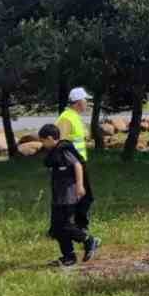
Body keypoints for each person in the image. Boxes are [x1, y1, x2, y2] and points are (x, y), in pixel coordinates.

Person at [39, 124, 100, 267]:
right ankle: (68, 257)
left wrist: (80, 185)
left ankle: (89, 240)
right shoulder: (54, 152)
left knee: (65, 225)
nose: (42, 144)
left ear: (49, 138)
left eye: (43, 141)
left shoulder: (63, 149)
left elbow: (77, 165)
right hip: (58, 196)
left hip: (69, 195)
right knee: (56, 229)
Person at [56, 88, 96, 235]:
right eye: (86, 100)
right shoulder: (66, 118)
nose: (87, 103)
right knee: (82, 196)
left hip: (79, 162)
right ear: (79, 102)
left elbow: (76, 139)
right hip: (72, 164)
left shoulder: (75, 116)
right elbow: (60, 143)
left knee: (84, 196)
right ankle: (76, 226)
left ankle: (76, 226)